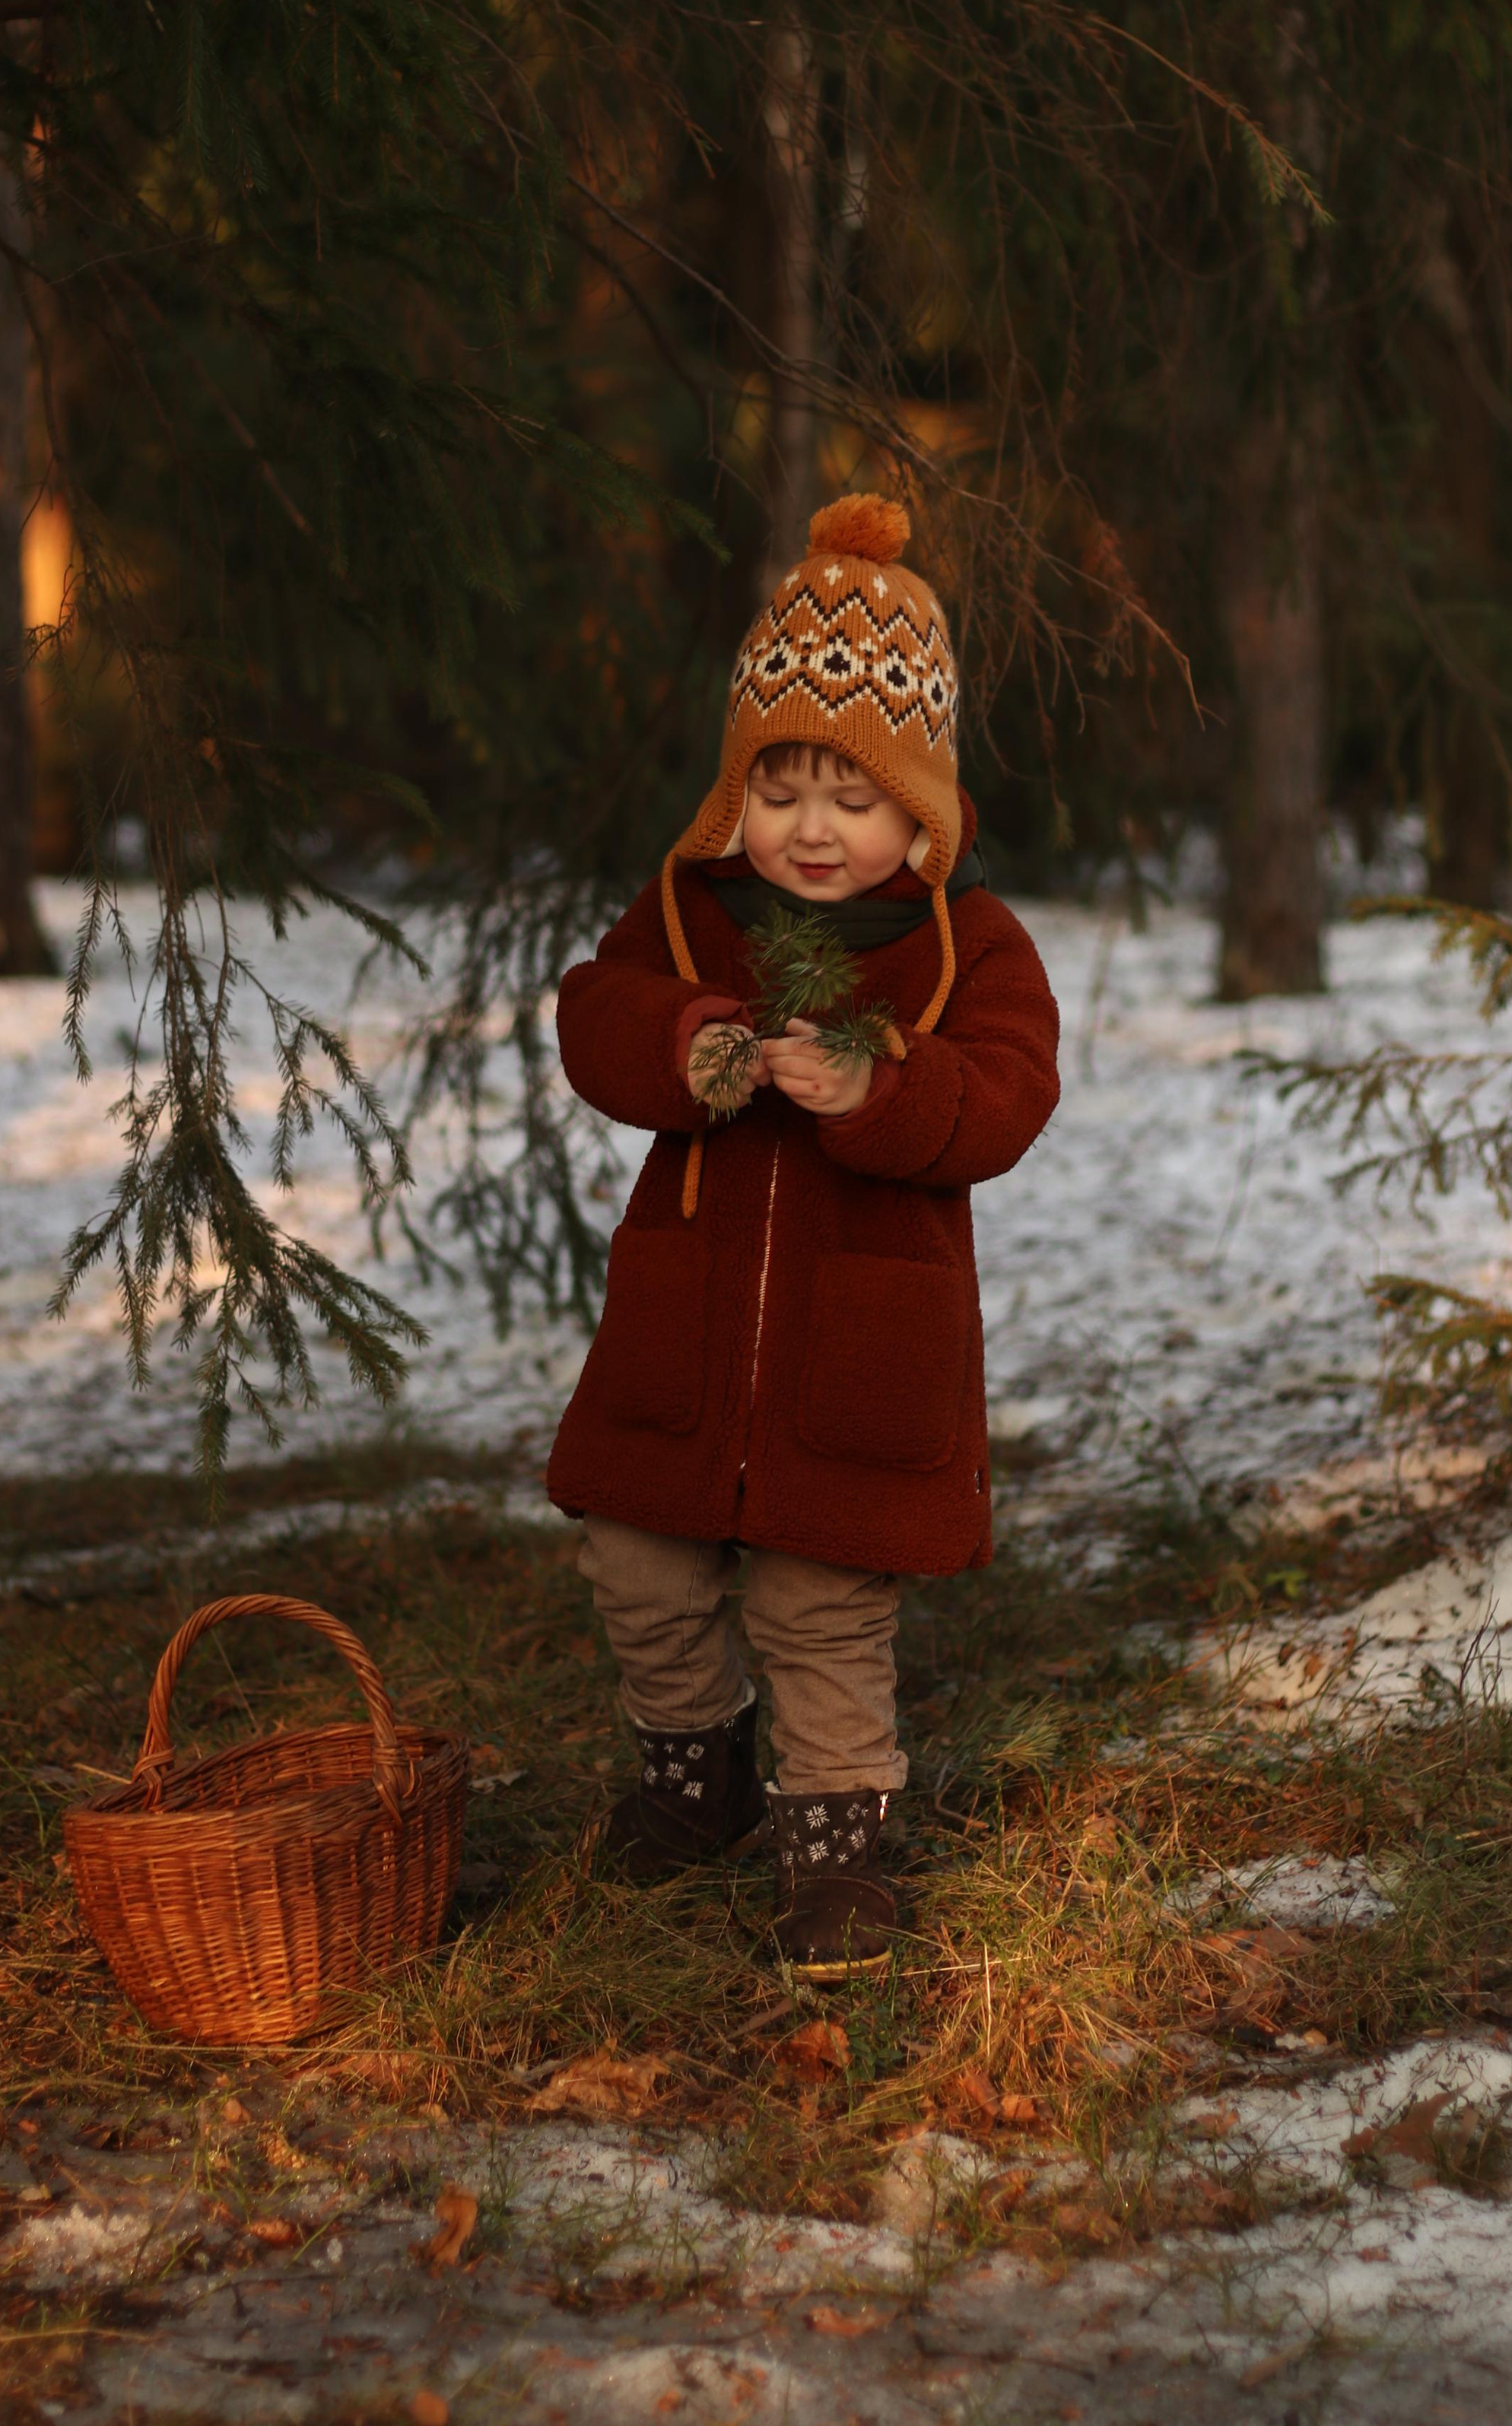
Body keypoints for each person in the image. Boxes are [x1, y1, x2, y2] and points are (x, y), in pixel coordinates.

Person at [545, 492, 1062, 1982]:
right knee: (637, 1562)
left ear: (918, 810)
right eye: (778, 790)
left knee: (815, 1598)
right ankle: (689, 1782)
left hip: (859, 1345)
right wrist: (689, 1044)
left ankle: (836, 1842)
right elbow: (598, 1019)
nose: (811, 829)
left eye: (850, 795)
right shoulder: (691, 918)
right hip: (683, 1328)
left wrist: (883, 1088)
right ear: (733, 799)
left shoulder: (966, 946)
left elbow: (1007, 1096)